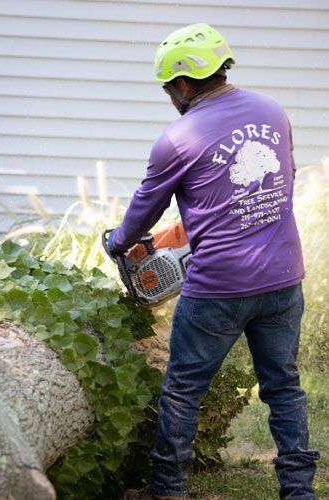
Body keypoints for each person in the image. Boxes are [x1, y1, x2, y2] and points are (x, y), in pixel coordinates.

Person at [105, 23, 320, 500]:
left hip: (218, 289)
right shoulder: (272, 111)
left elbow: (145, 208)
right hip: (284, 278)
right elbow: (277, 180)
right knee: (284, 387)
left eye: (168, 89)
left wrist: (119, 243)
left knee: (183, 390)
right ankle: (300, 491)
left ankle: (168, 490)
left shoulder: (179, 136)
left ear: (182, 84)